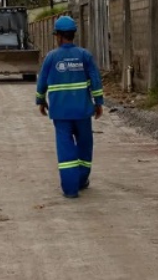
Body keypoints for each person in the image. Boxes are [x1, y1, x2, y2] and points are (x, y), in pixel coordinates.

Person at [36, 16, 104, 199]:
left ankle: (70, 189)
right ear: (74, 34)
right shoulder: (84, 55)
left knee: (65, 148)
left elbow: (41, 81)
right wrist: (99, 103)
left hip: (60, 113)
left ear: (57, 35)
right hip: (82, 111)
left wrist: (40, 101)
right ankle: (82, 180)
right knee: (85, 146)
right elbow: (95, 81)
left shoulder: (51, 57)